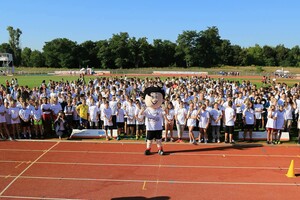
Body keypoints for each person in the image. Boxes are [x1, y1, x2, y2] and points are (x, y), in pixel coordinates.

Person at [140, 87, 165, 155]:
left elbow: (165, 113)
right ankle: (148, 149)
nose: (154, 100)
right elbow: (141, 114)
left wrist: (164, 108)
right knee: (149, 140)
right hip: (150, 128)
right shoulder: (147, 109)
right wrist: (142, 109)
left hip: (158, 127)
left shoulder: (160, 109)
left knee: (158, 140)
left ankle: (160, 149)